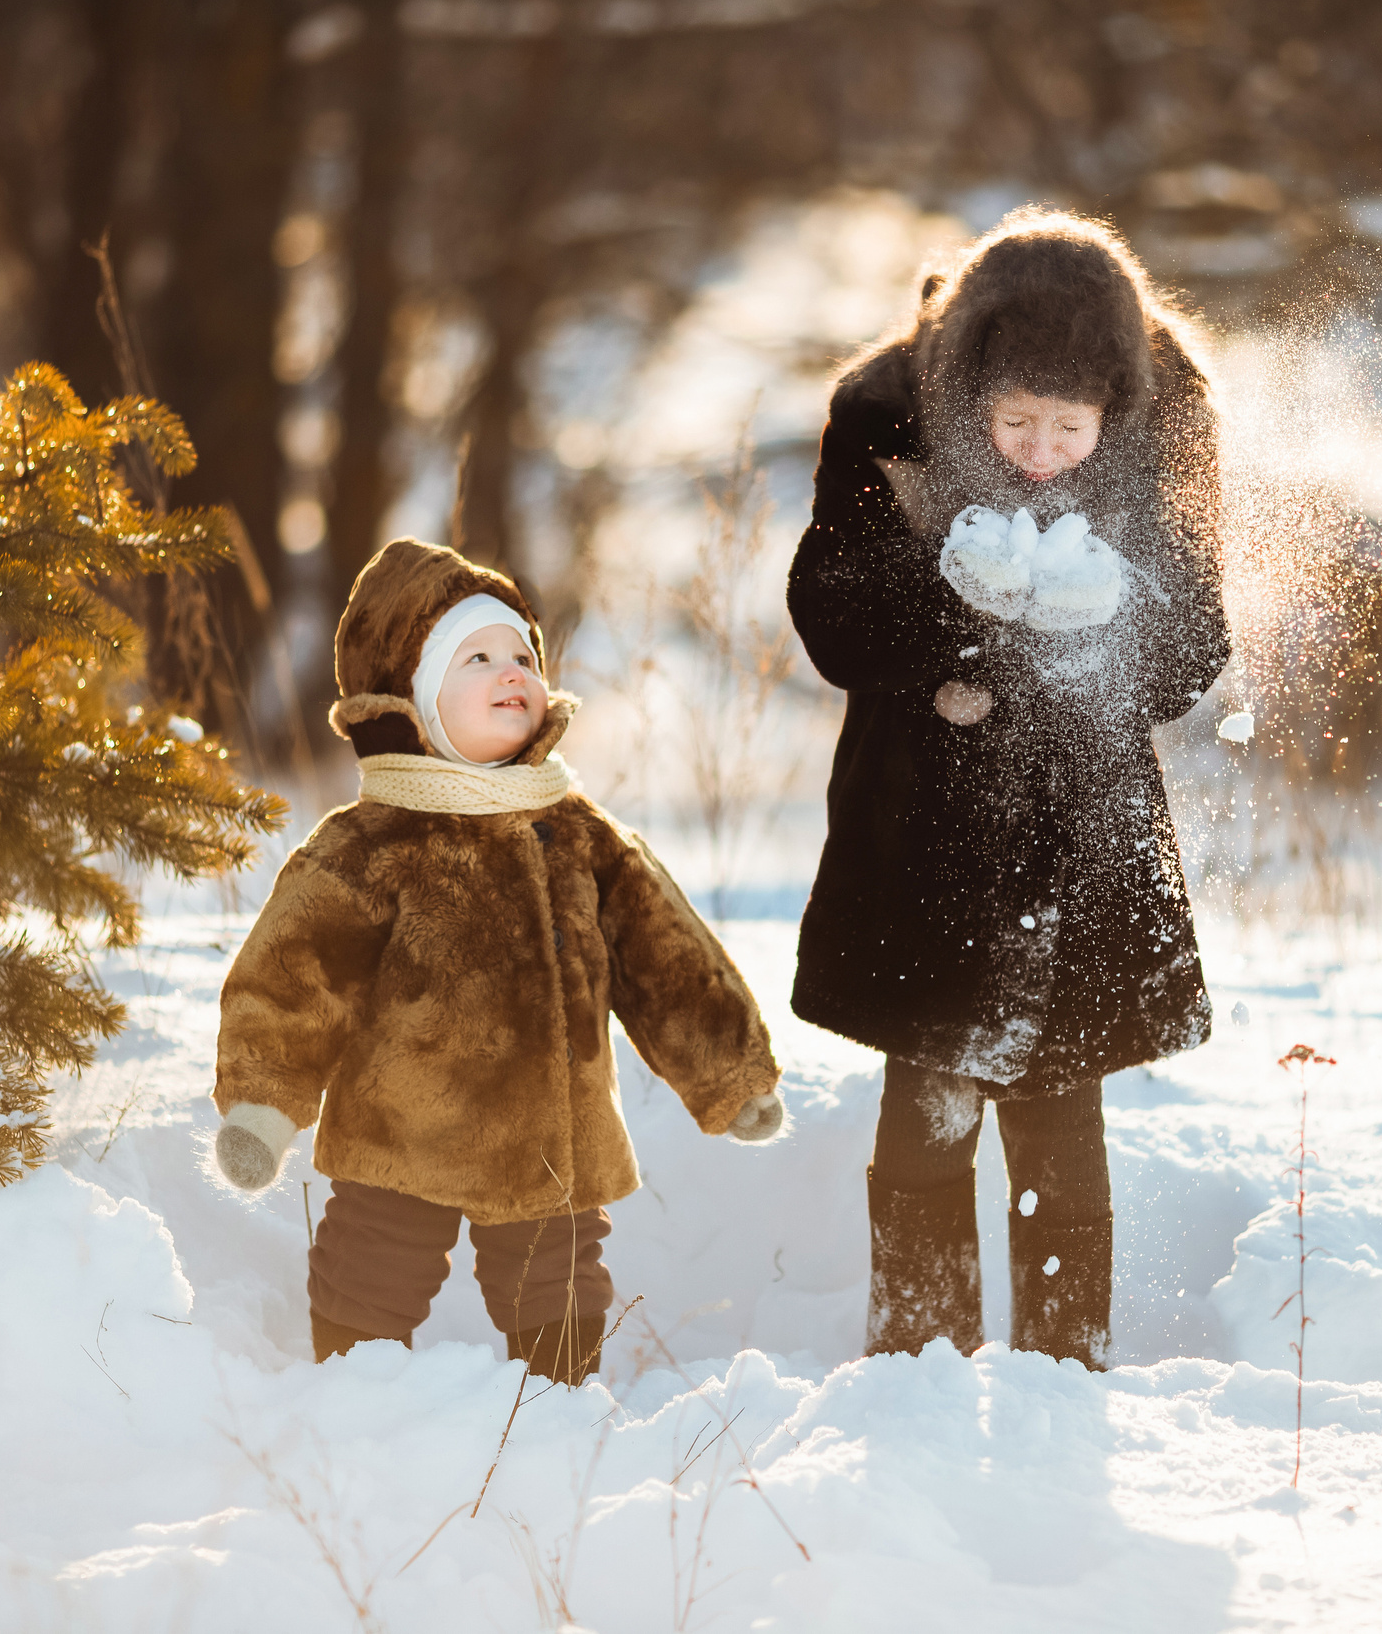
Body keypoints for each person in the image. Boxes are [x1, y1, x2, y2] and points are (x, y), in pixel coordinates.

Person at [787, 208, 1230, 1369]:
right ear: (969, 389)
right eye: (1015, 423)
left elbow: (1190, 639)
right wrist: (958, 618)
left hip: (1078, 823)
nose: (1039, 452)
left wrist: (1101, 620)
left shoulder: (1169, 415)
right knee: (927, 1083)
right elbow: (831, 612)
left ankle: (1062, 1365)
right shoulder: (885, 413)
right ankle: (916, 1359)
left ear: (1112, 411)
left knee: (1058, 1092)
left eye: (1067, 429)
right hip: (919, 816)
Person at [210, 537, 786, 1384]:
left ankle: (558, 1404)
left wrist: (728, 1071)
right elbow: (291, 973)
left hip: (551, 1127)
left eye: (522, 652)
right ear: (408, 697)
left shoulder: (578, 831)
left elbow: (664, 956)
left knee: (558, 1277)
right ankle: (352, 1392)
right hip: (404, 1126)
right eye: (475, 656)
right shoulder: (372, 841)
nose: (512, 669)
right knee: (374, 1262)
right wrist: (263, 1103)